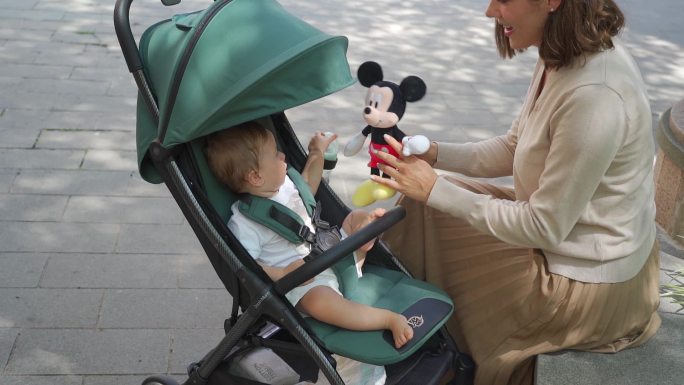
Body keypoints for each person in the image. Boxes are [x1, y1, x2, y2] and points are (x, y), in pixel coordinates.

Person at [370, 1, 661, 384]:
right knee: (423, 207)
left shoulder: (596, 96)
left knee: (433, 203)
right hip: (563, 243)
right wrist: (434, 153)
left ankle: (423, 352)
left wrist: (435, 187)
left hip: (589, 282)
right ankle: (404, 335)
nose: (491, 11)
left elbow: (544, 226)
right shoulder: (561, 53)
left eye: (503, 0)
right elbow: (512, 146)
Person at [206, 121, 414, 352]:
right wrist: (283, 274)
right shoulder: (244, 222)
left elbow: (308, 186)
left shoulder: (284, 184)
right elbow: (247, 265)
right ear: (255, 177)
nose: (283, 156)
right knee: (318, 304)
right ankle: (386, 319)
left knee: (356, 218)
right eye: (275, 154)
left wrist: (317, 152)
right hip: (304, 280)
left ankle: (362, 241)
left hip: (330, 250)